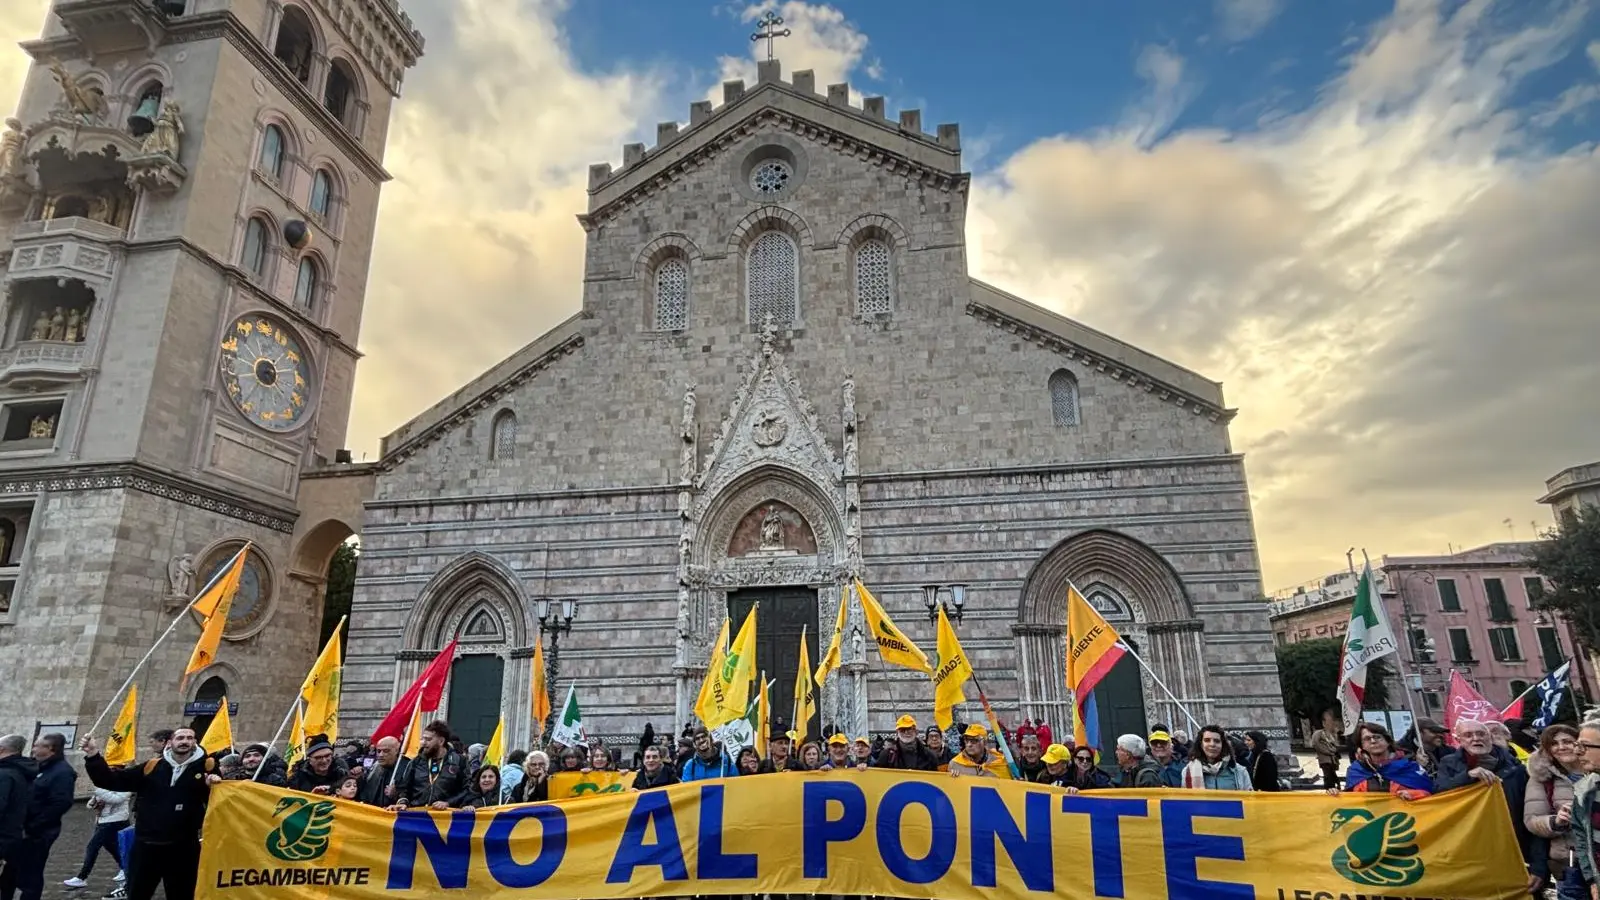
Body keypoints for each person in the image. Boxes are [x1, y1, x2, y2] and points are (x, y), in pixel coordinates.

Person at [79, 727, 220, 900]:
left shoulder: (207, 767)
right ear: (170, 742)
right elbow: (111, 780)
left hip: (183, 848)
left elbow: (218, 801)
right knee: (138, 893)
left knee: (182, 894)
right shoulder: (151, 767)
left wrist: (214, 785)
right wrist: (93, 755)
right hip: (146, 845)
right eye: (180, 737)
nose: (185, 741)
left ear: (195, 742)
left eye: (190, 738)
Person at [1435, 719, 1534, 894]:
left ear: (1490, 737)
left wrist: (1539, 864)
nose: (1475, 739)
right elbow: (1439, 795)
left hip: (1515, 848)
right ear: (1459, 740)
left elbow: (1531, 814)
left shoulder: (1515, 767)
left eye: (1481, 734)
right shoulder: (1448, 764)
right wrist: (1467, 776)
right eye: (1468, 735)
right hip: (1472, 853)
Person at [1, 733, 75, 900]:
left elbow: (60, 804)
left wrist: (33, 826)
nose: (33, 749)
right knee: (9, 874)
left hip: (38, 834)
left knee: (30, 878)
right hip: (21, 831)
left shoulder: (62, 772)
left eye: (37, 746)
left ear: (50, 749)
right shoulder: (39, 767)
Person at [1524, 724, 1583, 892]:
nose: (1561, 747)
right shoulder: (1541, 778)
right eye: (1554, 744)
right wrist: (1556, 821)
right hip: (1570, 862)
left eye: (1567, 741)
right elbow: (1531, 820)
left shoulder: (1594, 769)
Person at [63, 782, 130, 889]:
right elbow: (91, 803)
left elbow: (116, 799)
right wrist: (93, 803)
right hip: (102, 821)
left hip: (116, 820)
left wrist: (98, 790)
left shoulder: (125, 785)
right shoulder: (104, 786)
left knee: (92, 847)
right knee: (111, 847)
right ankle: (125, 868)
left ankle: (82, 877)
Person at [1340, 721, 1430, 798]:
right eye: (1367, 739)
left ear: (1387, 741)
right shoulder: (1356, 771)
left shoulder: (1410, 767)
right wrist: (1335, 795)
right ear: (1362, 746)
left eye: (1377, 737)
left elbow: (1430, 795)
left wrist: (1413, 794)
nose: (1373, 741)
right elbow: (1349, 799)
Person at [398, 720, 468, 810]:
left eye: (428, 739)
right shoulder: (416, 762)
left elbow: (467, 789)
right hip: (417, 815)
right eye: (423, 739)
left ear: (441, 741)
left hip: (444, 816)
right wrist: (403, 802)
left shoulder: (459, 761)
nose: (423, 743)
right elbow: (404, 788)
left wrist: (448, 803)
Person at [0, 735, 36, 894]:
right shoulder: (24, 771)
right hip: (15, 834)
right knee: (8, 883)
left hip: (3, 835)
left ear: (1, 749)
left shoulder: (4, 774)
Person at [1179, 726, 1252, 791]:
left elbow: (1250, 801)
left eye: (1217, 741)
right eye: (1207, 740)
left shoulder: (1240, 772)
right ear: (1200, 744)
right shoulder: (1188, 772)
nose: (1212, 744)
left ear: (1223, 745)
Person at [356, 737, 406, 807]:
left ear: (396, 751)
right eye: (379, 751)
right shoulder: (374, 768)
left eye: (386, 751)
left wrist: (397, 795)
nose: (381, 755)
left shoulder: (406, 768)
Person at [1309, 710, 1343, 791]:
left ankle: (1336, 786)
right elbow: (1316, 744)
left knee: (1332, 774)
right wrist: (1328, 751)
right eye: (1329, 721)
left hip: (1332, 759)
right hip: (1325, 759)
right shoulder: (1318, 733)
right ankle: (1329, 788)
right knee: (1328, 775)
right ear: (1323, 722)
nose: (1331, 723)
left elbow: (1335, 745)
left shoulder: (1331, 734)